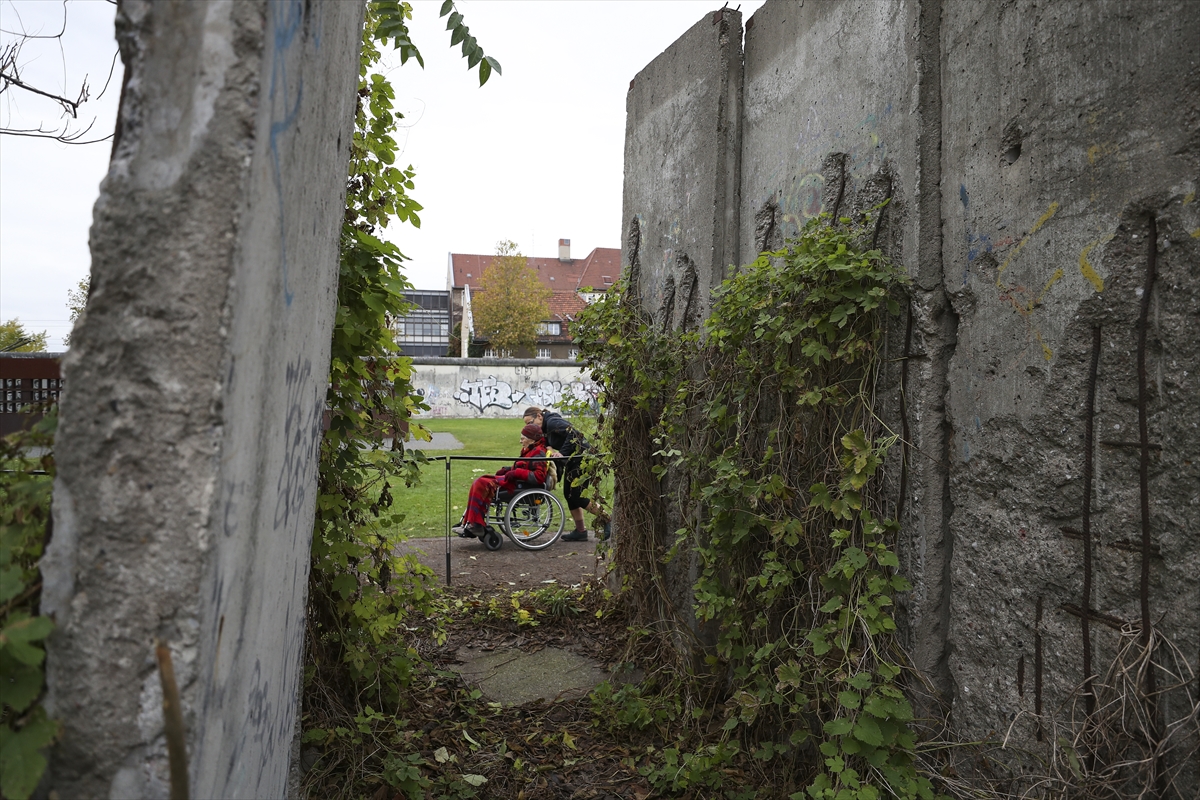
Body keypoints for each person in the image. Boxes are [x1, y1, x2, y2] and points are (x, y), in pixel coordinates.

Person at [522, 406, 607, 542]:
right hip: (573, 462)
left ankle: (608, 520)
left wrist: (562, 453)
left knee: (577, 496)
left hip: (583, 459)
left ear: (539, 416)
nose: (529, 426)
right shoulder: (545, 429)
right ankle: (580, 531)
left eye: (529, 422)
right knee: (569, 494)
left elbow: (574, 434)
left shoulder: (552, 422)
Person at [452, 423, 549, 538]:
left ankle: (475, 523)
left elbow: (538, 477)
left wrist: (515, 472)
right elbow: (523, 466)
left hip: (520, 486)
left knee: (481, 483)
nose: (520, 441)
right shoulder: (531, 450)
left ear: (532, 440)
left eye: (522, 438)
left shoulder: (538, 453)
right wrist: (507, 470)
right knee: (480, 480)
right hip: (515, 482)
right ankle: (471, 521)